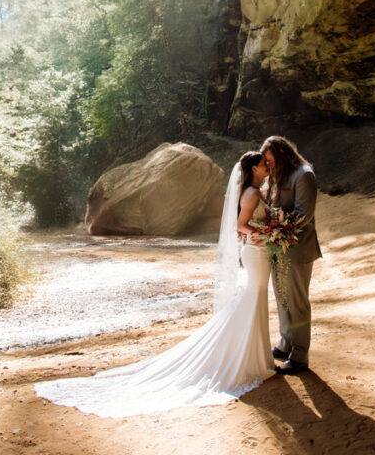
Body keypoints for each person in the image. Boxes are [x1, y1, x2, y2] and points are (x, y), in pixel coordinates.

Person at [34, 151, 275, 417]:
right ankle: (244, 355)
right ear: (253, 167)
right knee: (253, 296)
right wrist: (268, 232)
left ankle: (255, 356)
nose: (268, 165)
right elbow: (241, 225)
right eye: (264, 163)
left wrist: (267, 230)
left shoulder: (255, 190)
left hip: (257, 251)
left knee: (256, 296)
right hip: (256, 251)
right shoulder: (251, 194)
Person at [260, 135, 322, 374]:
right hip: (277, 246)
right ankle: (285, 343)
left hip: (298, 249)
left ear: (282, 153)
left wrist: (275, 226)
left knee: (297, 302)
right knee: (282, 297)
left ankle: (300, 355)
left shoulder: (304, 175)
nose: (268, 163)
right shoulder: (279, 173)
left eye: (269, 158)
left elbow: (303, 214)